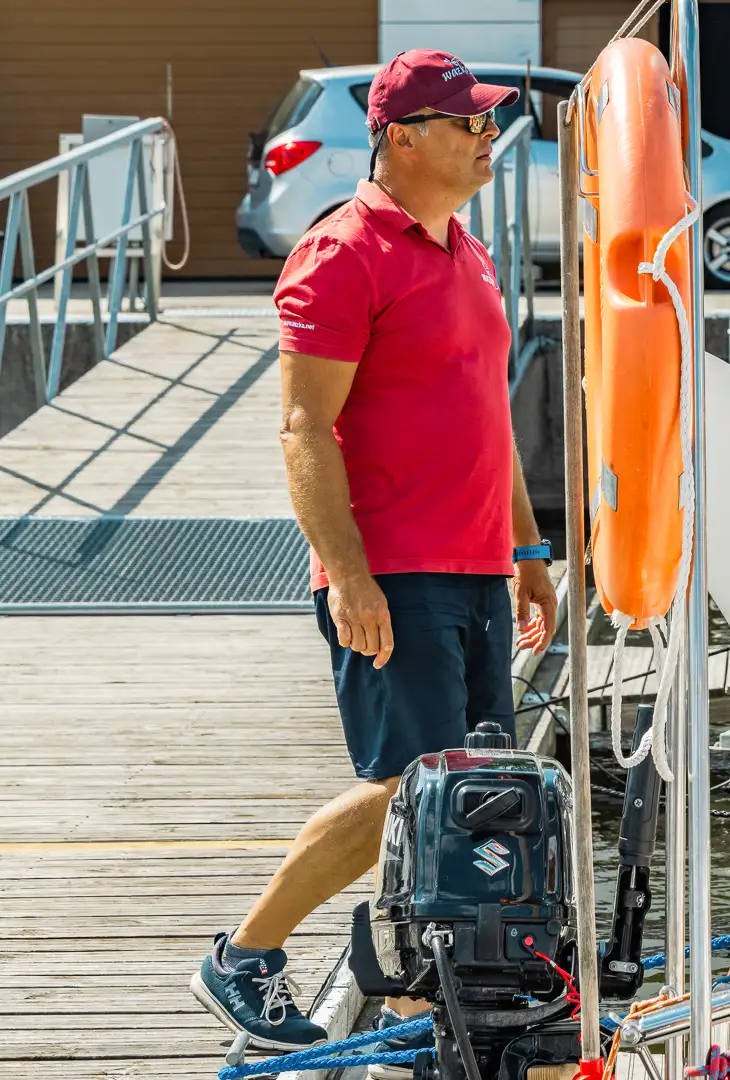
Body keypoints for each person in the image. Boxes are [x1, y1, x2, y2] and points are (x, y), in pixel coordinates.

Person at [189, 50, 558, 1057]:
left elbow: (488, 420)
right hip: (394, 568)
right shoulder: (341, 253)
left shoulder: (468, 251)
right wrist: (347, 574)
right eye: (469, 123)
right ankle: (243, 957)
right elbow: (304, 428)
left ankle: (421, 998)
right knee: (409, 783)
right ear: (404, 138)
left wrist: (528, 546)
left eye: (488, 121)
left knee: (472, 792)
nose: (489, 137)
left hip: (477, 569)